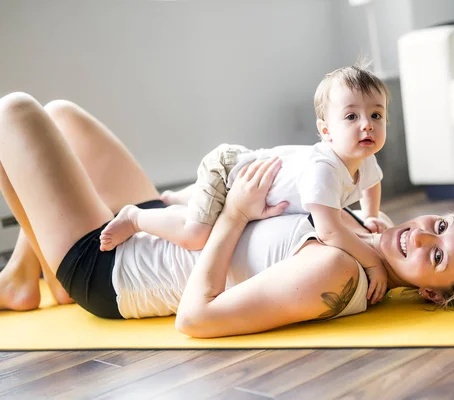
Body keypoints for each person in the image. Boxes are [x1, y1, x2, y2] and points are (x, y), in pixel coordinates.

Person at [0, 93, 454, 339]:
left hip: (115, 270)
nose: (422, 236)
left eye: (438, 258)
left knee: (14, 113)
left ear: (434, 296)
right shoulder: (368, 230)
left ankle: (46, 276)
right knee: (61, 116)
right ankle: (31, 276)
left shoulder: (338, 274)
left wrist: (235, 215)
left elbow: (196, 320)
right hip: (156, 223)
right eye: (440, 226)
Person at [98, 64, 391, 303]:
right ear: (326, 131)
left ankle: (175, 198)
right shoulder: (324, 170)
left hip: (248, 171)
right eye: (351, 116)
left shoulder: (364, 156)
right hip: (228, 171)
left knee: (204, 207)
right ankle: (135, 218)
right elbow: (330, 231)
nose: (367, 124)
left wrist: (372, 215)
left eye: (376, 115)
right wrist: (373, 262)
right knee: (197, 234)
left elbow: (371, 184)